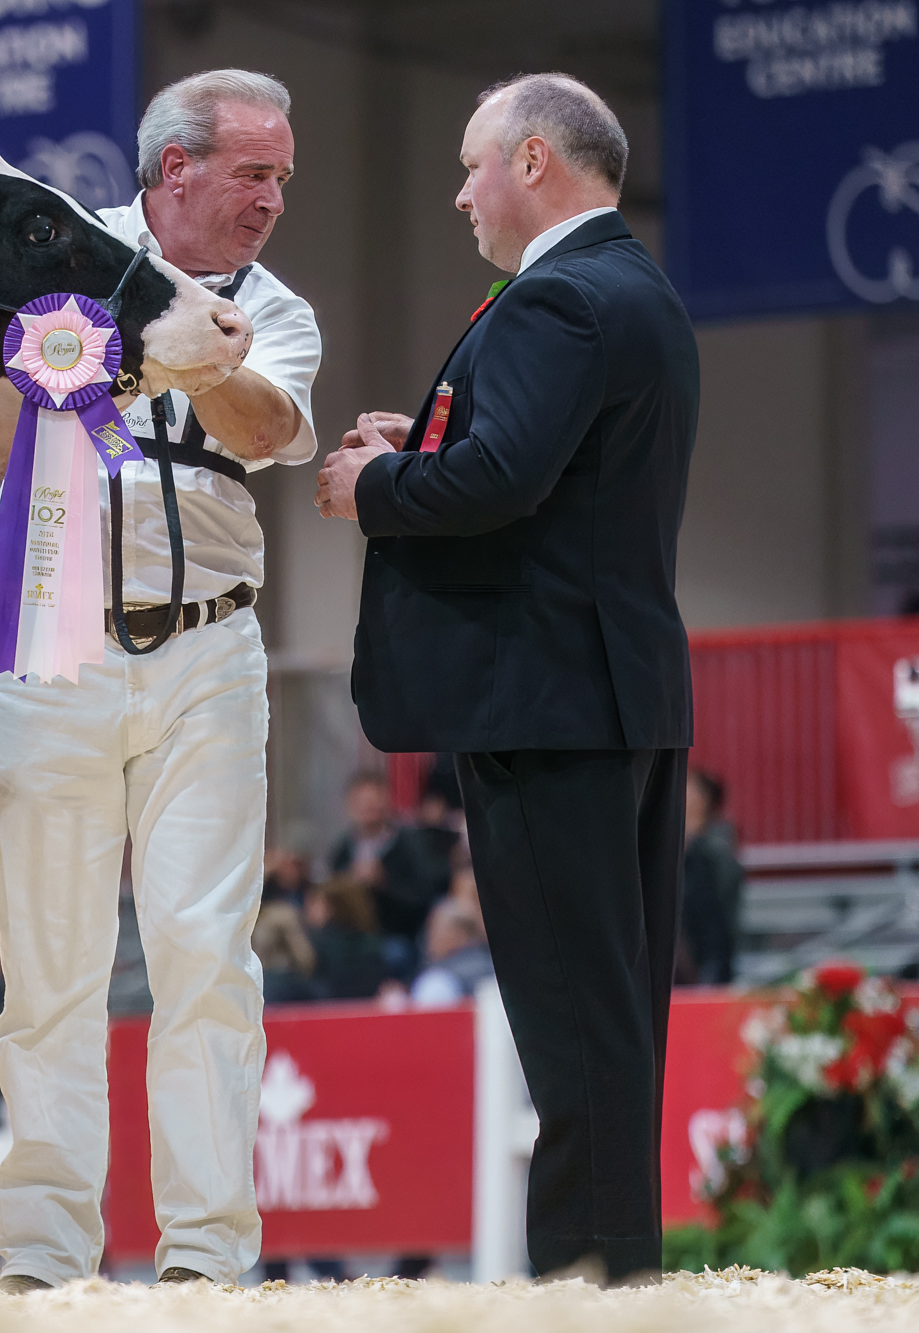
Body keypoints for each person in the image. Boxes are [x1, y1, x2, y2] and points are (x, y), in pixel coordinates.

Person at [316, 73, 699, 1283]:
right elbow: (542, 471)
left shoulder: (556, 297)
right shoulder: (632, 286)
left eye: (471, 165)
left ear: (532, 160)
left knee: (573, 1023)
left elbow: (499, 482)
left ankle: (588, 1284)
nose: (458, 193)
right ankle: (617, 1277)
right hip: (615, 689)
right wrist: (425, 446)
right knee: (610, 1018)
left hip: (545, 701)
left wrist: (371, 488)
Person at [0, 68, 321, 1292]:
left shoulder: (275, 308)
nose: (271, 198)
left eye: (281, 177)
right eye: (252, 172)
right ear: (176, 168)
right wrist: (143, 325)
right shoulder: (57, 258)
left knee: (204, 957)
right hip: (49, 640)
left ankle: (205, 1262)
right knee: (47, 967)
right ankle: (42, 1256)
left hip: (209, 655)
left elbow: (266, 429)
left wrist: (178, 341)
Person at [327, 771, 453, 977]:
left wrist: (384, 884)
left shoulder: (409, 844)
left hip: (398, 935)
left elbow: (425, 895)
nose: (368, 809)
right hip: (352, 937)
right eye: (362, 803)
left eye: (373, 803)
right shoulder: (342, 849)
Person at [677, 770, 743, 985]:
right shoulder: (671, 843)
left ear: (703, 798)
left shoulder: (715, 848)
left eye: (688, 788)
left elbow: (719, 919)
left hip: (709, 961)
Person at [408, 898, 495, 1007]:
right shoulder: (495, 965)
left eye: (436, 930)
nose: (429, 939)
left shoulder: (438, 980)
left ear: (460, 935)